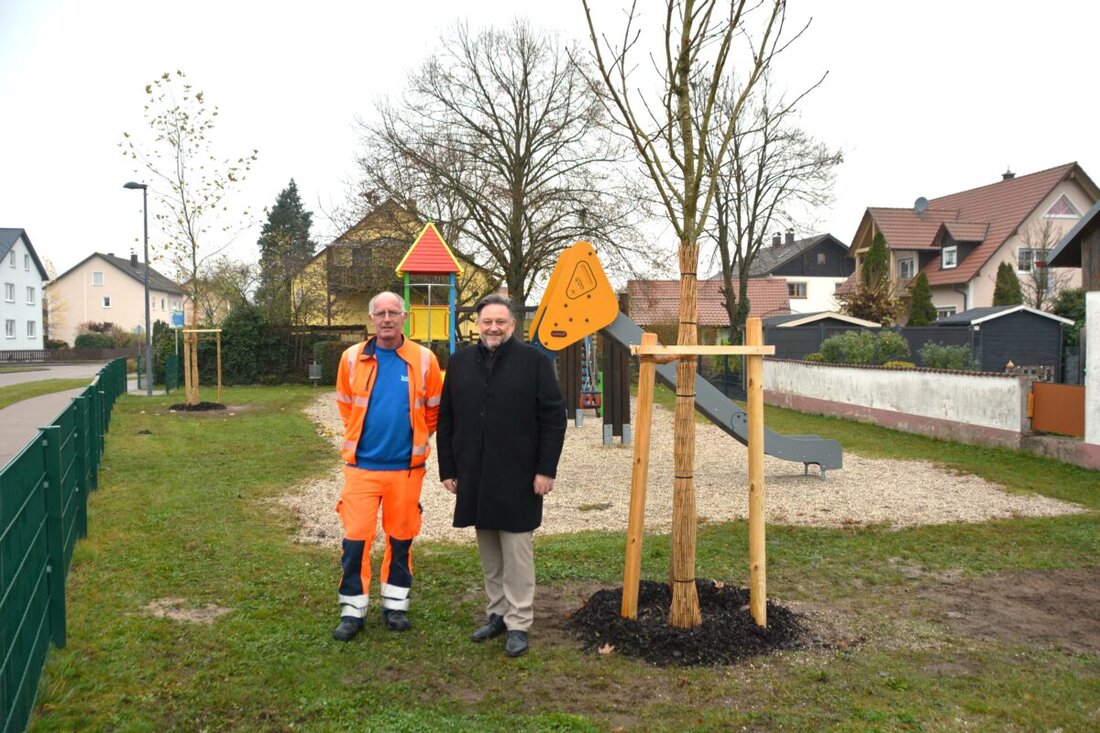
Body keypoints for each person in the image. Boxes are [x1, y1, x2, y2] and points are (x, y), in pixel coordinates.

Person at [437, 294, 566, 657]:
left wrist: (545, 470)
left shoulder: (535, 363)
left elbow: (553, 419)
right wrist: (448, 468)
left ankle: (519, 622)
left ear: (512, 325)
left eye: (500, 322)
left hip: (519, 474)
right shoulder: (460, 363)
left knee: (517, 553)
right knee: (490, 552)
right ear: (477, 325)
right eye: (487, 322)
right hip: (475, 473)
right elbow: (446, 420)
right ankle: (497, 614)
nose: (493, 328)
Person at [331, 291, 443, 641]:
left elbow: (434, 410)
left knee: (401, 539)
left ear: (404, 317)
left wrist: (417, 438)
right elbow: (346, 405)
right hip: (361, 468)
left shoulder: (425, 360)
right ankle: (353, 611)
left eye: (394, 312)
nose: (387, 319)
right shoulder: (351, 358)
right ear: (371, 319)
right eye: (380, 313)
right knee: (356, 539)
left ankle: (395, 607)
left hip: (406, 471)